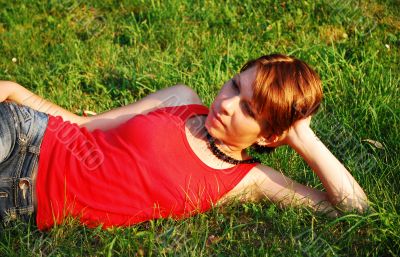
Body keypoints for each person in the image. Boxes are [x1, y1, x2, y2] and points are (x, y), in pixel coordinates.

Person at [0, 54, 368, 230]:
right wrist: (16, 91)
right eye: (234, 85)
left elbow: (354, 208)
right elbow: (85, 124)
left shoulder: (249, 181)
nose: (225, 104)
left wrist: (304, 137)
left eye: (248, 110)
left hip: (21, 202)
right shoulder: (180, 99)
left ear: (271, 136)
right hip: (25, 135)